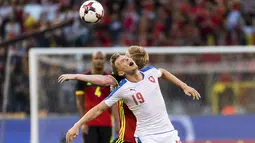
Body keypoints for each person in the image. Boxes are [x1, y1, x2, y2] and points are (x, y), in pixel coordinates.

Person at [58, 46, 200, 143]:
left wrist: (184, 86)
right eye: (122, 61)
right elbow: (99, 108)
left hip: (169, 133)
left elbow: (164, 72)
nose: (127, 59)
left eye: (127, 58)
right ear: (120, 72)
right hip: (146, 137)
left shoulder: (151, 72)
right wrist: (77, 125)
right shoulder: (122, 88)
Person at [74, 51, 118, 143]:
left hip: (107, 123)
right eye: (96, 58)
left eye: (101, 58)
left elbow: (114, 103)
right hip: (89, 123)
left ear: (104, 61)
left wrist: (117, 122)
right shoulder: (83, 79)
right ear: (92, 60)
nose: (98, 61)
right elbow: (80, 103)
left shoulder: (110, 79)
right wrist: (83, 123)